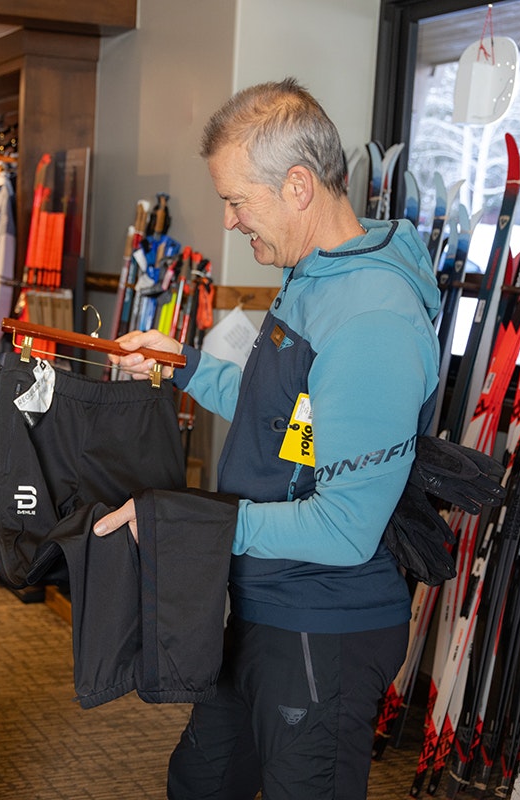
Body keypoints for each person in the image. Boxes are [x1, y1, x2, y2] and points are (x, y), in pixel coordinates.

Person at [94, 78, 442, 799]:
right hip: (260, 606)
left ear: (297, 186)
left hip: (323, 628)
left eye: (236, 200)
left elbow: (345, 529)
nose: (229, 221)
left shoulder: (372, 317)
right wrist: (182, 364)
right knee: (201, 781)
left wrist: (189, 525)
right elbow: (287, 422)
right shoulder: (312, 274)